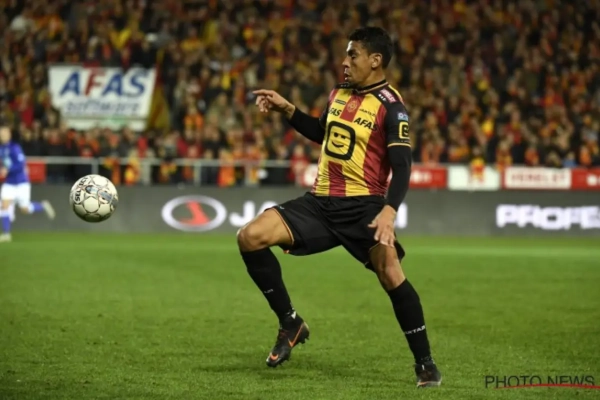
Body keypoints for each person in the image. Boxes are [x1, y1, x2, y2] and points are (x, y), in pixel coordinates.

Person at [236, 27, 442, 388]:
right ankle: (290, 322)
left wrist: (389, 210)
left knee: (390, 273)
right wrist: (288, 110)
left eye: (353, 55)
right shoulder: (338, 94)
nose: (345, 62)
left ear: (375, 60)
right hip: (319, 202)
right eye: (346, 55)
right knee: (249, 237)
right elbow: (322, 133)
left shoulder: (391, 107)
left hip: (364, 207)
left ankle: (425, 364)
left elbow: (403, 165)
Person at [0, 124, 55, 242]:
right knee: (4, 206)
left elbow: (21, 164)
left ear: (9, 134)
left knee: (25, 209)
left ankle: (42, 206)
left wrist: (8, 170)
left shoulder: (15, 147)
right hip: (9, 182)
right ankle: (6, 234)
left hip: (21, 182)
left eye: (4, 133)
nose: (3, 135)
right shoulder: (1, 149)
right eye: (1, 133)